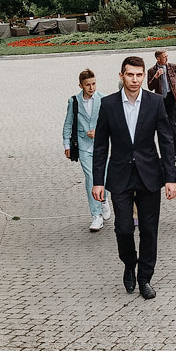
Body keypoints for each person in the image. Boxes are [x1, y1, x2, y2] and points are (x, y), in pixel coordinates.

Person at [93, 54, 176, 298]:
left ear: (144, 76)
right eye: (130, 75)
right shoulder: (109, 104)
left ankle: (145, 278)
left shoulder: (154, 102)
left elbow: (166, 141)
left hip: (149, 174)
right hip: (120, 175)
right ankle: (129, 263)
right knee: (123, 229)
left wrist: (170, 178)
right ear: (122, 76)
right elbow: (101, 146)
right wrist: (98, 181)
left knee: (150, 230)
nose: (134, 79)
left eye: (139, 75)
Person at [60, 68, 106, 232]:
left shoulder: (104, 99)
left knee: (104, 178)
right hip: (84, 146)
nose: (91, 88)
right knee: (91, 178)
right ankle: (96, 215)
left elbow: (111, 123)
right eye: (88, 85)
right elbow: (68, 123)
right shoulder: (74, 101)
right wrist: (67, 144)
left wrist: (99, 132)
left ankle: (104, 199)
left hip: (102, 146)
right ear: (81, 85)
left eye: (94, 84)